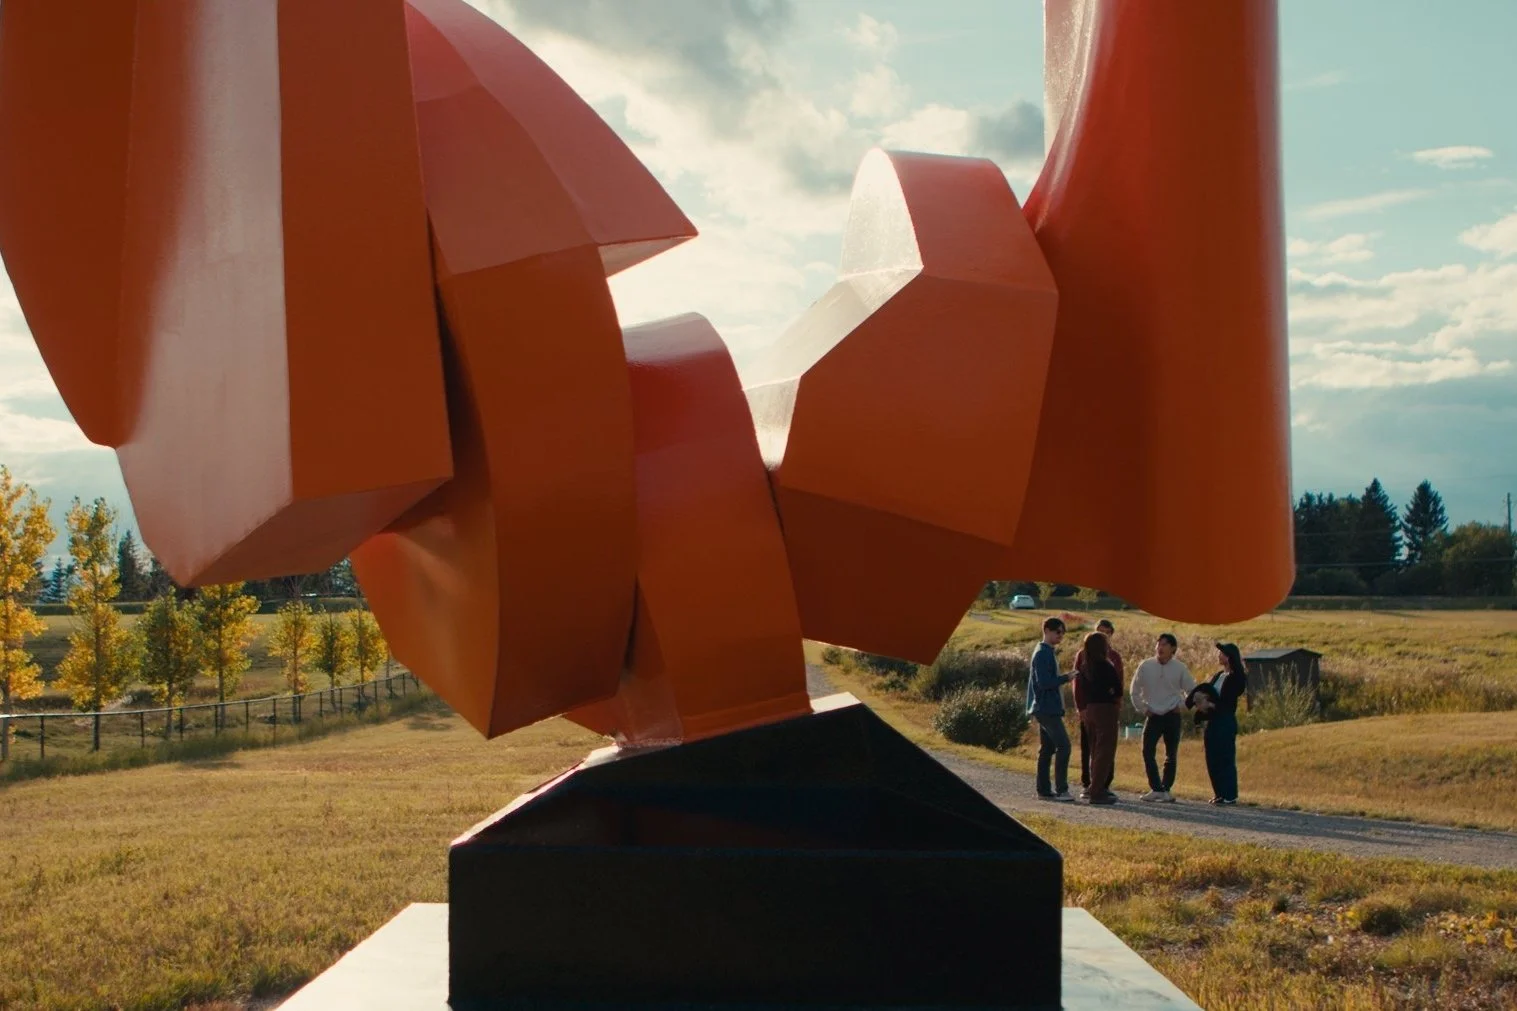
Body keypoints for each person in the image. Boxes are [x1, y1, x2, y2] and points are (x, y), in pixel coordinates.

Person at [1129, 633, 1194, 802]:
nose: (1160, 647)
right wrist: (1143, 708)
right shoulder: (1146, 666)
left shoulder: (1179, 668)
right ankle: (1156, 787)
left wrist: (1182, 706)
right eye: (1158, 643)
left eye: (1165, 644)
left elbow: (1192, 691)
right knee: (1147, 750)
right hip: (1153, 714)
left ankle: (1166, 789)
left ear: (1172, 648)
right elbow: (1134, 690)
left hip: (1172, 714)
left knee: (1171, 754)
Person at [1187, 642, 1248, 805]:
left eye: (1221, 653)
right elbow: (1210, 692)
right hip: (1212, 720)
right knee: (1212, 757)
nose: (1218, 656)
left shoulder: (1236, 677)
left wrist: (1212, 705)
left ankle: (1230, 794)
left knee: (1225, 758)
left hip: (1225, 720)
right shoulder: (1218, 676)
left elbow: (1228, 700)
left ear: (1229, 657)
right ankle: (1219, 793)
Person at [1026, 616, 1074, 800]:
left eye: (1062, 633)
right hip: (1046, 708)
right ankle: (1062, 789)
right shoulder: (1043, 653)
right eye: (1057, 632)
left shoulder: (1047, 651)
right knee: (1064, 746)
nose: (1060, 636)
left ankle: (1044, 790)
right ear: (1046, 630)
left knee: (1047, 749)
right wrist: (1065, 678)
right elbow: (1044, 683)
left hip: (1045, 707)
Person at [1076, 618, 1124, 799]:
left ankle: (1091, 785)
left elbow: (1082, 687)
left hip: (1091, 708)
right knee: (1105, 750)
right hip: (1106, 709)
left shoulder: (1085, 666)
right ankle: (1098, 789)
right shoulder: (1107, 665)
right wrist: (1113, 694)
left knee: (1094, 748)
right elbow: (1117, 688)